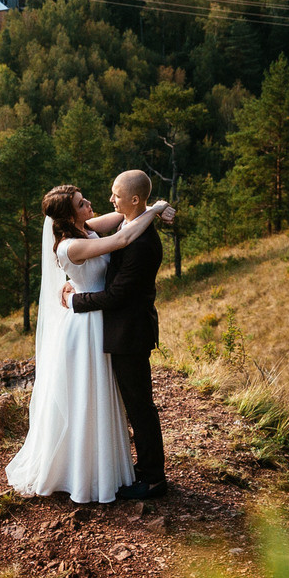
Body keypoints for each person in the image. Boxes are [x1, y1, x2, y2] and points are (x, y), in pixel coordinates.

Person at [5, 183, 165, 504]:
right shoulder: (70, 246)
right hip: (85, 325)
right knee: (87, 397)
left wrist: (149, 208)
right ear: (68, 216)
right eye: (81, 203)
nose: (89, 203)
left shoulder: (87, 228)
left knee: (107, 397)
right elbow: (122, 239)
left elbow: (124, 216)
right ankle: (83, 472)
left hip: (104, 321)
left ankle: (117, 468)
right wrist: (158, 208)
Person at [60, 169, 174, 500]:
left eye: (117, 195)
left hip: (130, 333)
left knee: (140, 406)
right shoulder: (128, 223)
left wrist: (75, 301)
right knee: (133, 404)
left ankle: (153, 478)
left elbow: (116, 296)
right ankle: (139, 467)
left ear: (134, 200)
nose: (110, 199)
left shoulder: (141, 244)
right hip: (120, 330)